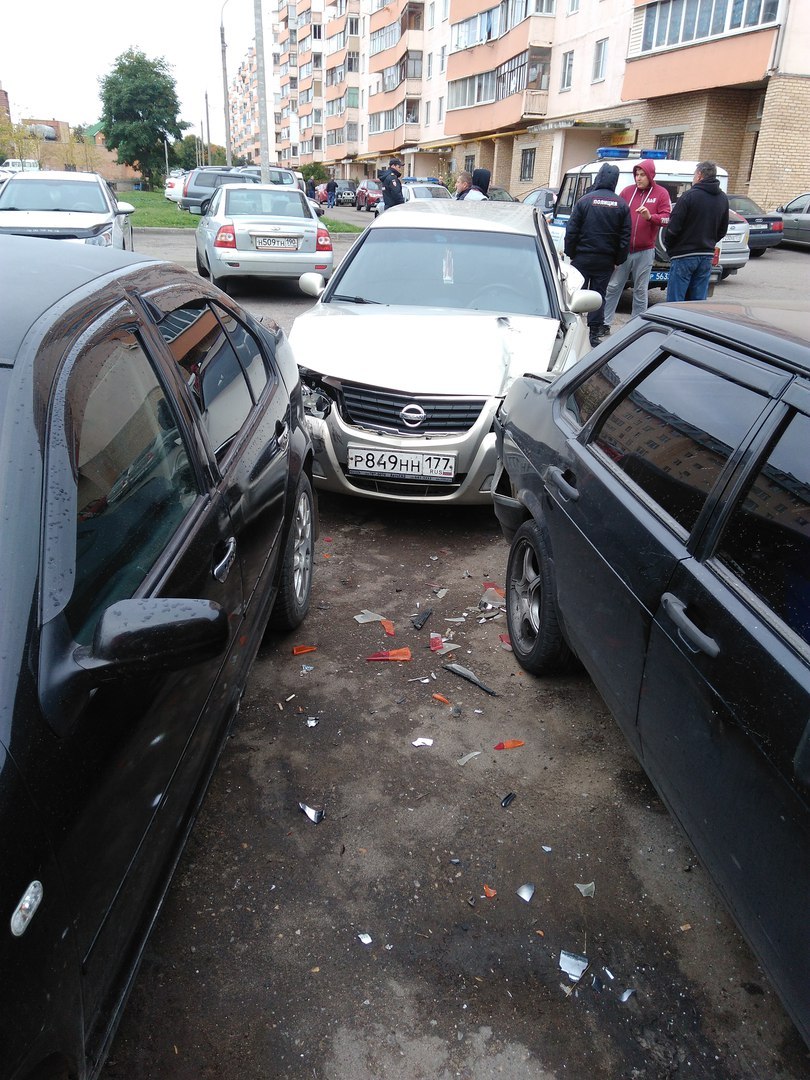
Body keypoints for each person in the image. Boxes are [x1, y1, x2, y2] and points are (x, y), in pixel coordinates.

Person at [601, 159, 671, 336]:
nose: (638, 178)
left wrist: (650, 217)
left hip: (645, 250)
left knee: (640, 289)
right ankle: (605, 322)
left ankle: (635, 328)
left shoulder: (661, 193)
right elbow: (616, 214)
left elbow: (667, 219)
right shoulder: (627, 192)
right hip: (624, 249)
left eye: (642, 175)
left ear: (650, 175)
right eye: (636, 175)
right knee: (614, 286)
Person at [564, 163, 631, 348]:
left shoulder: (584, 201)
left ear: (599, 177)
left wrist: (571, 253)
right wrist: (618, 260)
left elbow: (572, 231)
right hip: (606, 260)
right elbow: (625, 237)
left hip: (582, 258)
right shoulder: (621, 205)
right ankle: (594, 333)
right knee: (598, 295)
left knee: (576, 293)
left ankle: (573, 328)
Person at [664, 161, 729, 302]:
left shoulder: (689, 196)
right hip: (706, 255)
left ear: (699, 175)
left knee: (675, 301)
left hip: (684, 255)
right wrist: (709, 242)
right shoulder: (723, 198)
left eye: (694, 175)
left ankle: (675, 324)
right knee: (697, 303)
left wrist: (671, 248)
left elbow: (673, 228)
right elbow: (723, 229)